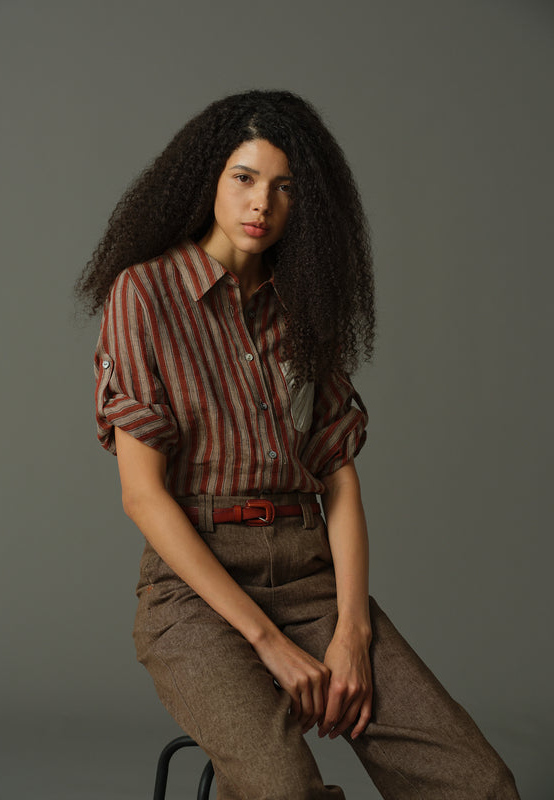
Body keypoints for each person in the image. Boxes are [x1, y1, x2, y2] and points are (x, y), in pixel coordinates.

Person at [76, 90, 520, 799]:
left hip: (313, 581)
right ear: (208, 179)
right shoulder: (146, 294)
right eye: (244, 178)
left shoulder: (303, 304)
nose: (262, 203)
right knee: (286, 792)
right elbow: (142, 495)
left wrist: (352, 632)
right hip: (195, 593)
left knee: (480, 783)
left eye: (284, 187)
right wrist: (268, 643)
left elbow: (338, 479)